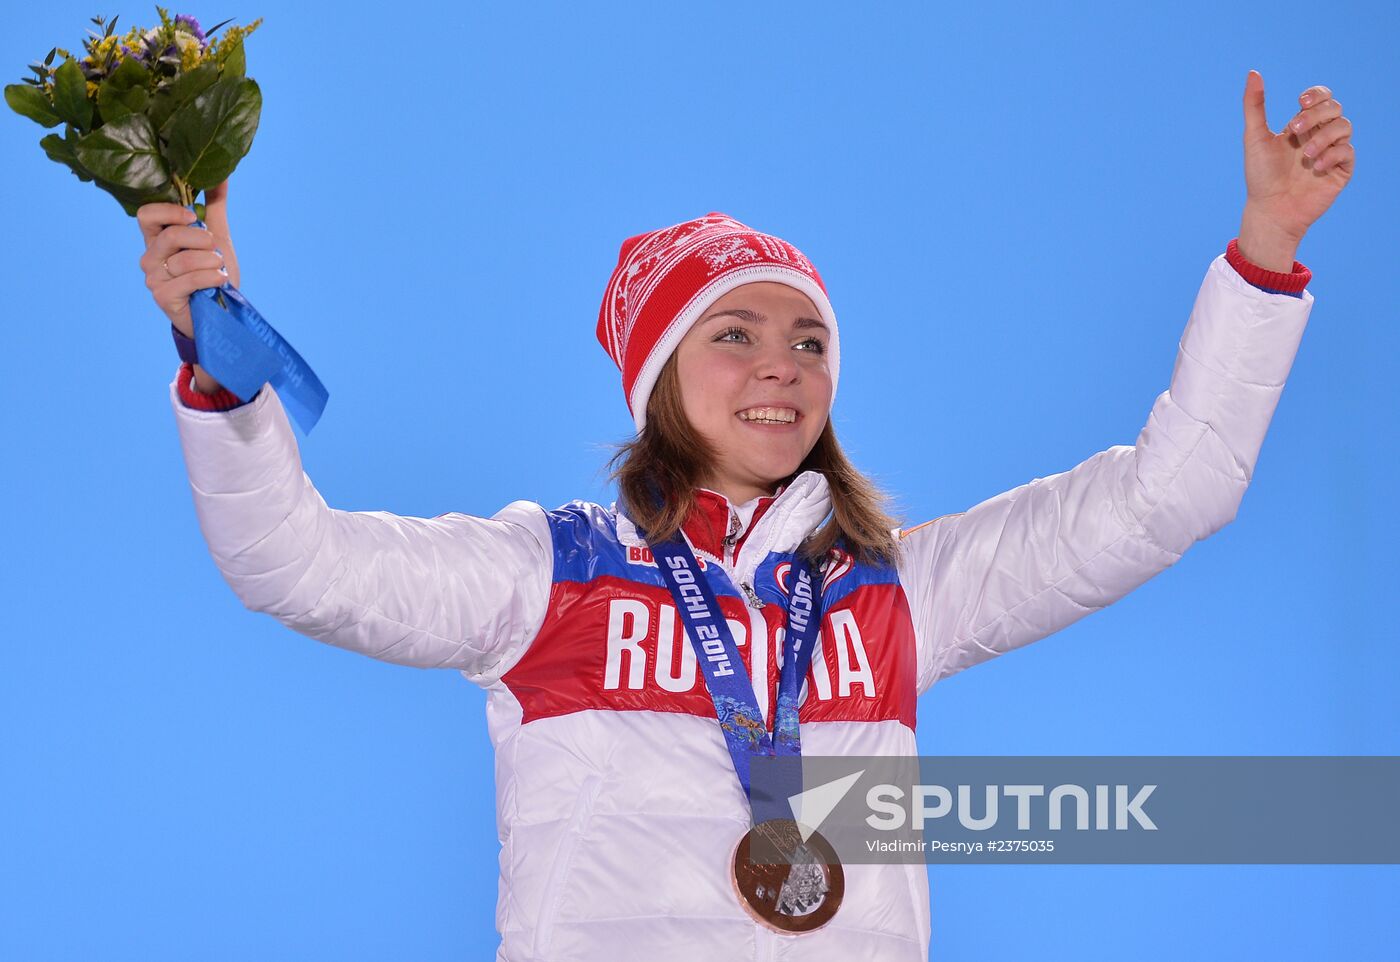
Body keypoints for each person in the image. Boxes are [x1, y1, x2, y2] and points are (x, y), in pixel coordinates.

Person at [136, 73, 1352, 960]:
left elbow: (1170, 490)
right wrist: (222, 374)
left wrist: (1265, 251)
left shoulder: (896, 591)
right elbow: (291, 561)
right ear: (661, 374)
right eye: (734, 333)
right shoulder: (547, 573)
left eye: (808, 340)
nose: (781, 365)